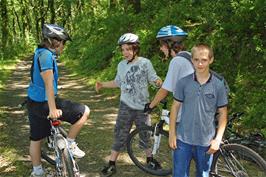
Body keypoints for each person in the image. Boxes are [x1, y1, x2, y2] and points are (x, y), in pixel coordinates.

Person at [27, 24, 90, 177]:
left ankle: (37, 172)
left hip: (33, 102)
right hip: (44, 104)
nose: (64, 46)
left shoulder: (40, 52)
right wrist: (53, 109)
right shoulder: (47, 56)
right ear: (55, 41)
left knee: (36, 138)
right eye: (64, 42)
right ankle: (70, 143)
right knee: (84, 111)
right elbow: (48, 83)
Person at [95, 33, 162, 176]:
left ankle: (150, 159)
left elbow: (153, 79)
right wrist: (103, 84)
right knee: (120, 133)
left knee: (145, 134)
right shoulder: (121, 65)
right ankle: (112, 163)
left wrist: (159, 83)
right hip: (126, 105)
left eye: (128, 49)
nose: (125, 52)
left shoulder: (145, 63)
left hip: (143, 107)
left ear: (135, 49)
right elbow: (118, 82)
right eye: (123, 49)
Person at [169, 43, 228, 177]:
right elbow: (175, 106)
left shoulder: (218, 85)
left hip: (206, 141)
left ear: (211, 60)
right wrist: (172, 133)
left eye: (204, 60)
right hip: (183, 139)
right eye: (196, 60)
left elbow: (223, 113)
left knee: (203, 174)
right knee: (179, 174)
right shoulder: (183, 82)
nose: (200, 64)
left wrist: (217, 139)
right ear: (192, 60)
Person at [144, 25, 194, 121]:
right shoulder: (188, 55)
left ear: (169, 44)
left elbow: (164, 91)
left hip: (187, 115)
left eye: (162, 45)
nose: (161, 49)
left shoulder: (177, 61)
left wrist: (150, 106)